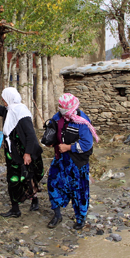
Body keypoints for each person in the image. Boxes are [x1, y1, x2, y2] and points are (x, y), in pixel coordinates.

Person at [0, 87, 44, 218]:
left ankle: (34, 199)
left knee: (28, 178)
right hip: (12, 154)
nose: (3, 101)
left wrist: (28, 153)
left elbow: (31, 135)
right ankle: (15, 209)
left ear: (9, 98)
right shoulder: (9, 111)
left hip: (24, 154)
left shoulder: (21, 113)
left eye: (4, 99)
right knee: (12, 180)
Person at [44, 93, 98, 230]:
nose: (60, 108)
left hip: (77, 162)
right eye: (59, 106)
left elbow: (87, 144)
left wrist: (69, 147)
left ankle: (80, 218)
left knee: (79, 190)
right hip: (61, 159)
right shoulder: (58, 117)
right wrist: (51, 141)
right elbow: (54, 130)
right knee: (53, 184)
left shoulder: (82, 121)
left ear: (69, 107)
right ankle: (57, 214)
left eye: (62, 106)